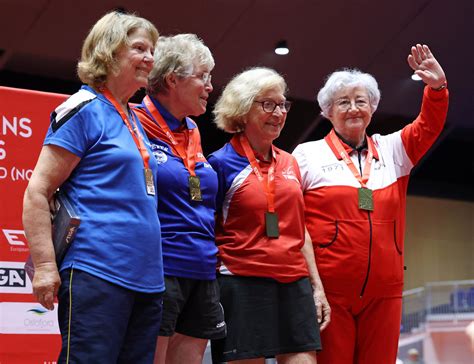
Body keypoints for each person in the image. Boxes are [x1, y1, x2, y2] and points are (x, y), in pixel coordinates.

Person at [22, 11, 164, 363]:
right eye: (139, 48)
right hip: (97, 271)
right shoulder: (83, 108)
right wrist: (44, 266)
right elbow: (37, 191)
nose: (150, 57)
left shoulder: (132, 116)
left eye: (152, 50)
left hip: (147, 279)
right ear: (109, 51)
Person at [292, 44, 448, 363]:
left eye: (360, 101)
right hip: (330, 291)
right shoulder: (306, 155)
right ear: (327, 111)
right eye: (343, 102)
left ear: (372, 108)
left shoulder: (394, 150)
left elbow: (429, 126)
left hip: (385, 293)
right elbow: (292, 223)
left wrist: (437, 89)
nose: (353, 109)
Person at [208, 67, 330, 364]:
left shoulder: (289, 162)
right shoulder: (220, 164)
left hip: (293, 284)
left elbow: (300, 229)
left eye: (282, 104)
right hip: (241, 283)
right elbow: (207, 228)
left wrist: (317, 287)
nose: (278, 112)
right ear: (243, 109)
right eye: (268, 104)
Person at [133, 34, 226, 364]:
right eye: (203, 76)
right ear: (172, 79)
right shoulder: (132, 122)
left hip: (202, 268)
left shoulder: (192, 131)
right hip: (159, 268)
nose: (210, 87)